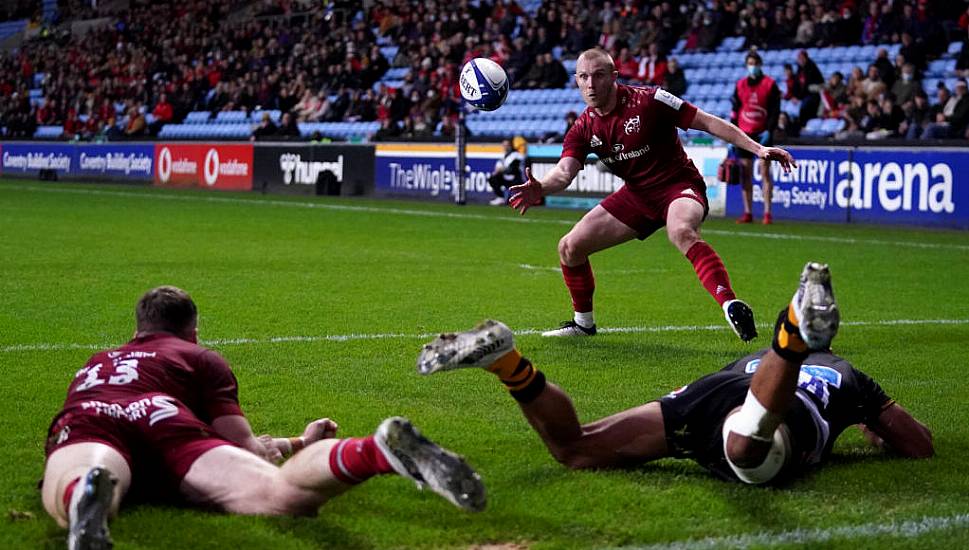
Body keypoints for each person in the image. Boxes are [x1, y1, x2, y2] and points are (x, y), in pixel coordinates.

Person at [43, 287, 485, 550]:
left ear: (137, 330)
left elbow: (114, 412)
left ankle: (85, 492)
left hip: (93, 417)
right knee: (283, 493)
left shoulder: (98, 361)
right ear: (192, 330)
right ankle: (374, 451)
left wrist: (292, 441)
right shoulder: (199, 356)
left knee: (85, 471)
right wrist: (299, 443)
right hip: (165, 419)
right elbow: (246, 448)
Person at [418, 262, 933, 486]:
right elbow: (920, 446)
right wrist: (873, 425)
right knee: (746, 453)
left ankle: (507, 362)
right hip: (777, 406)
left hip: (712, 392)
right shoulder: (852, 378)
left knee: (576, 449)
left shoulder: (755, 363)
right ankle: (791, 334)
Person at [508, 48, 796, 341]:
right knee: (569, 247)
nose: (591, 84)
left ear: (614, 77)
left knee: (681, 230)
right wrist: (542, 187)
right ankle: (583, 324)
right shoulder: (582, 128)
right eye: (584, 77)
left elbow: (708, 122)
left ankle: (730, 303)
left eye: (598, 75)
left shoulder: (650, 100)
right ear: (577, 81)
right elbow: (564, 173)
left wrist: (758, 149)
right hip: (637, 196)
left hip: (678, 186)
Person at [731, 51, 781, 225]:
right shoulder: (740, 85)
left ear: (760, 64)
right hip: (744, 133)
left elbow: (775, 111)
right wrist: (732, 135)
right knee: (745, 173)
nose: (752, 66)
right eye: (749, 63)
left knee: (765, 172)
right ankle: (748, 211)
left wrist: (770, 130)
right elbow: (735, 110)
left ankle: (767, 212)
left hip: (762, 133)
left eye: (755, 62)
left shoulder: (770, 84)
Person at [488, 137, 527, 206]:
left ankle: (511, 198)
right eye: (504, 145)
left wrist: (502, 170)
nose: (505, 147)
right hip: (507, 178)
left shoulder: (516, 155)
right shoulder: (504, 155)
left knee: (512, 201)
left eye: (507, 145)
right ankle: (500, 197)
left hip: (516, 178)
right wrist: (498, 171)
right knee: (492, 178)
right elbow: (498, 166)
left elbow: (513, 170)